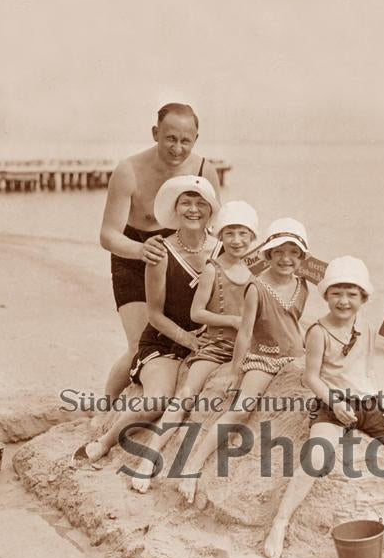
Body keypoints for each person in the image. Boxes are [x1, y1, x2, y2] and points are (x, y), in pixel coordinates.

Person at [263, 255, 384, 558]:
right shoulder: (317, 331)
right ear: (326, 295)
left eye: (352, 294)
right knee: (317, 456)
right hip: (331, 402)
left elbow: (367, 371)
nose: (344, 301)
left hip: (367, 403)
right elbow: (310, 377)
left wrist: (381, 399)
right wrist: (335, 403)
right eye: (337, 293)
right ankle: (281, 521)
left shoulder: (366, 328)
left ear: (363, 298)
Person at [72, 175, 221, 464]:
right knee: (158, 400)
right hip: (165, 341)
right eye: (186, 203)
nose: (193, 209)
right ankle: (104, 442)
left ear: (211, 210)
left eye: (201, 203)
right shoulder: (160, 251)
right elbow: (154, 314)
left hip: (208, 342)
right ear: (174, 209)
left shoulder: (222, 248)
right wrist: (189, 340)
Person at [176, 218, 311, 504]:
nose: (286, 259)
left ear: (301, 257)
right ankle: (192, 465)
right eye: (279, 252)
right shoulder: (256, 287)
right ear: (268, 254)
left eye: (293, 253)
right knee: (240, 410)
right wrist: (235, 373)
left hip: (293, 356)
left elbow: (297, 319)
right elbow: (245, 333)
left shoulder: (303, 286)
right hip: (263, 358)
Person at [131, 200, 259, 493]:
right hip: (215, 345)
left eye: (243, 234)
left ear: (253, 238)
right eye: (230, 234)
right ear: (220, 237)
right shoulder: (213, 269)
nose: (237, 241)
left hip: (247, 346)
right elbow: (196, 313)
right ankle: (148, 459)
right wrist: (232, 320)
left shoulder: (256, 271)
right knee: (187, 393)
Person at [100, 103, 221, 399]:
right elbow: (107, 235)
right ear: (156, 133)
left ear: (195, 139)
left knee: (179, 343)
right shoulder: (129, 171)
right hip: (134, 256)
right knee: (139, 347)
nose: (177, 148)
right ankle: (106, 404)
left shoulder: (205, 170)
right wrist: (141, 250)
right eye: (170, 138)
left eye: (185, 140)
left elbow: (215, 227)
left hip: (183, 259)